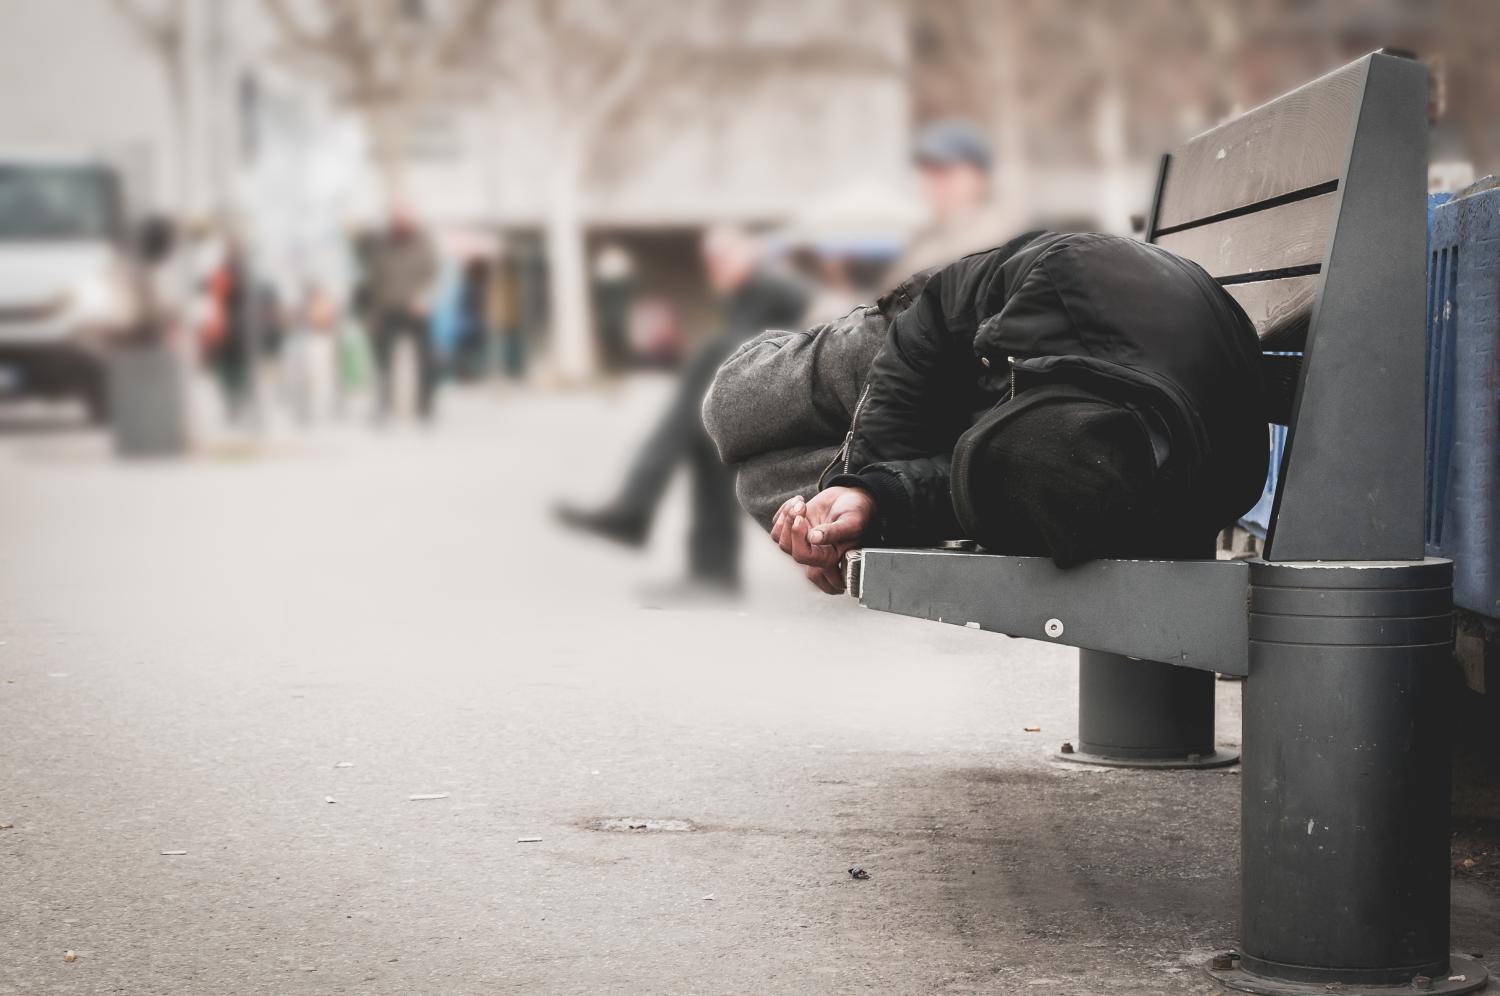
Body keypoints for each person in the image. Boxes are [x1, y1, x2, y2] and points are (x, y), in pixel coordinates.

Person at [749, 231, 1268, 593]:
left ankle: (837, 502)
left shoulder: (1101, 493)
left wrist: (871, 503)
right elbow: (936, 308)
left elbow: (978, 491)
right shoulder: (1066, 282)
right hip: (946, 337)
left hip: (1038, 393)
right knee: (736, 405)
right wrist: (866, 475)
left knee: (761, 481)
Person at [556, 226, 808, 593]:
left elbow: (770, 346)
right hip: (755, 396)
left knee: (702, 394)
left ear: (747, 255)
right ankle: (707, 567)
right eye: (711, 262)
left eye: (723, 259)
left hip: (786, 398)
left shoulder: (775, 289)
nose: (716, 269)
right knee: (702, 435)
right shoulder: (746, 295)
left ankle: (639, 512)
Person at [887, 119, 1014, 281]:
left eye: (945, 170)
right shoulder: (923, 241)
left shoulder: (998, 242)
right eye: (928, 171)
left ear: (980, 177)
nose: (934, 182)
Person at [365, 206, 439, 421]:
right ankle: (383, 406)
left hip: (416, 308)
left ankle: (425, 406)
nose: (399, 225)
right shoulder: (383, 244)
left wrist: (425, 296)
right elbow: (375, 280)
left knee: (427, 358)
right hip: (388, 308)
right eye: (395, 221)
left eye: (403, 220)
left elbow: (433, 272)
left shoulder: (423, 243)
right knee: (383, 360)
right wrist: (374, 311)